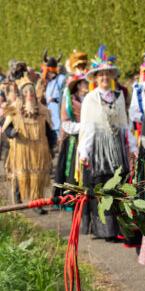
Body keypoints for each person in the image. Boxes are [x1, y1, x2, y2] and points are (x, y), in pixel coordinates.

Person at [77, 46, 137, 239]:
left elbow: (125, 125)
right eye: (100, 75)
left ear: (111, 76)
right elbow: (87, 127)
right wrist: (84, 153)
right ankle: (103, 229)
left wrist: (133, 148)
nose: (104, 78)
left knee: (117, 184)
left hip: (117, 147)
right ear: (95, 78)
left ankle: (119, 228)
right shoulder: (90, 99)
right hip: (98, 150)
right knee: (101, 187)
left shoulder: (119, 97)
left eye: (107, 74)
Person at [2, 74, 56, 214]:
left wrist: (52, 146)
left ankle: (36, 204)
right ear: (21, 94)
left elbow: (50, 131)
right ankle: (18, 195)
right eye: (26, 92)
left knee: (37, 177)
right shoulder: (14, 108)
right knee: (22, 174)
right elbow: (6, 126)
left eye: (31, 91)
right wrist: (11, 132)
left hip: (39, 150)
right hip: (22, 149)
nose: (29, 94)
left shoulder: (43, 110)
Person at [54, 69, 88, 197]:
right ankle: (72, 196)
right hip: (75, 140)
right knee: (73, 170)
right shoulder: (70, 101)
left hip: (90, 139)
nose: (88, 84)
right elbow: (66, 123)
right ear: (78, 85)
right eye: (85, 82)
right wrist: (83, 127)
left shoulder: (93, 98)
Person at [42, 50, 65, 137]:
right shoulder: (48, 84)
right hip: (51, 124)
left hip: (60, 124)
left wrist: (55, 100)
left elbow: (67, 98)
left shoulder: (61, 79)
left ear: (47, 70)